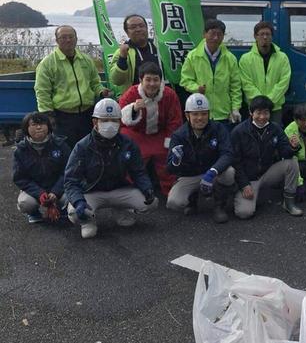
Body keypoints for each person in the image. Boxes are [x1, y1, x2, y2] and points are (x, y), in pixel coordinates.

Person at [64, 99, 158, 239]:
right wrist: (78, 201)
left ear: (120, 122)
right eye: (104, 120)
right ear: (95, 122)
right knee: (74, 213)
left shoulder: (128, 144)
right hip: (92, 191)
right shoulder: (82, 147)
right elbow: (71, 180)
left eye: (114, 120)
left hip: (119, 189)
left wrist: (147, 188)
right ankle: (88, 221)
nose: (109, 124)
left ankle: (121, 210)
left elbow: (138, 171)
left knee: (151, 202)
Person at [34, 25, 111, 148]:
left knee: (89, 149)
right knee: (66, 151)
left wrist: (101, 91)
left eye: (71, 36)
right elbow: (42, 91)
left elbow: (95, 83)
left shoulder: (86, 60)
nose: (68, 40)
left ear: (76, 38)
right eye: (63, 37)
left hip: (87, 115)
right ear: (57, 40)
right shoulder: (47, 63)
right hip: (62, 117)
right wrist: (48, 115)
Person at [166, 93, 235, 223]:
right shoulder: (178, 135)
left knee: (229, 173)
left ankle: (219, 206)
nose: (200, 118)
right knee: (174, 202)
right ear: (187, 115)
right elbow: (169, 169)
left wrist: (212, 172)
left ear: (208, 114)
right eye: (195, 114)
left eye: (204, 114)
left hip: (213, 173)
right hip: (190, 175)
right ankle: (192, 201)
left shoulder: (218, 128)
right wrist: (176, 161)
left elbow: (228, 154)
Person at [230, 95, 303, 218]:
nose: (262, 117)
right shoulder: (239, 131)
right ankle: (247, 193)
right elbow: (234, 161)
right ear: (251, 112)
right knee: (244, 213)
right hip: (248, 179)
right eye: (258, 113)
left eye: (266, 113)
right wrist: (244, 184)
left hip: (267, 174)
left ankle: (289, 203)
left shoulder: (275, 128)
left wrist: (293, 147)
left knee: (292, 163)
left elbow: (285, 153)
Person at [118, 62, 183, 195]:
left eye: (155, 80)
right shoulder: (131, 94)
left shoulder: (169, 95)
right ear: (141, 80)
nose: (152, 84)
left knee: (168, 156)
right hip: (137, 134)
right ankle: (131, 191)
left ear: (161, 81)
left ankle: (171, 191)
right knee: (131, 155)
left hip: (160, 134)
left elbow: (175, 121)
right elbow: (120, 118)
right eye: (148, 80)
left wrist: (169, 141)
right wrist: (134, 109)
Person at [180, 19, 242, 126]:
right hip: (200, 112)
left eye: (219, 34)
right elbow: (185, 80)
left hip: (224, 113)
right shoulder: (193, 56)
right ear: (204, 34)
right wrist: (196, 88)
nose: (216, 38)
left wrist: (235, 108)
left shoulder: (230, 58)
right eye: (212, 34)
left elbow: (235, 86)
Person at [12, 112, 71, 224]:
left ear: (48, 126)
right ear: (26, 128)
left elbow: (69, 171)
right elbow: (20, 178)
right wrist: (39, 193)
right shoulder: (20, 150)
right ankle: (33, 213)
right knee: (26, 203)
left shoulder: (61, 145)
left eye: (42, 124)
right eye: (34, 124)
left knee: (70, 197)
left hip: (59, 187)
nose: (39, 127)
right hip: (35, 189)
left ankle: (63, 210)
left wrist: (56, 191)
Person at [239, 21, 291, 124]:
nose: (265, 37)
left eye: (268, 34)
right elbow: (246, 84)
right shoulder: (245, 59)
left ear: (272, 37)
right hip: (254, 108)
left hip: (275, 107)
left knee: (274, 133)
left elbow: (284, 82)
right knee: (254, 133)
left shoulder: (282, 57)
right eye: (262, 34)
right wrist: (260, 102)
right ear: (255, 36)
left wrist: (269, 101)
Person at [109, 14, 164, 97]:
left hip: (161, 97)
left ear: (147, 28)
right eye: (133, 27)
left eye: (141, 26)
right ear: (127, 32)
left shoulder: (159, 47)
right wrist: (122, 58)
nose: (138, 29)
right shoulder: (122, 52)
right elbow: (116, 80)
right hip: (134, 99)